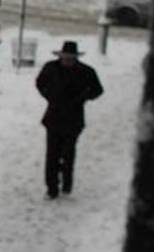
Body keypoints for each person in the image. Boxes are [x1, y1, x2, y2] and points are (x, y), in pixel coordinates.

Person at [35, 40, 104, 198]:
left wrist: (84, 97)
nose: (67, 61)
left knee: (68, 152)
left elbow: (98, 90)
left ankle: (67, 183)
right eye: (65, 58)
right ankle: (52, 187)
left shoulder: (86, 72)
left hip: (74, 119)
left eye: (71, 58)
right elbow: (40, 83)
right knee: (52, 154)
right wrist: (49, 95)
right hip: (53, 117)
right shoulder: (50, 68)